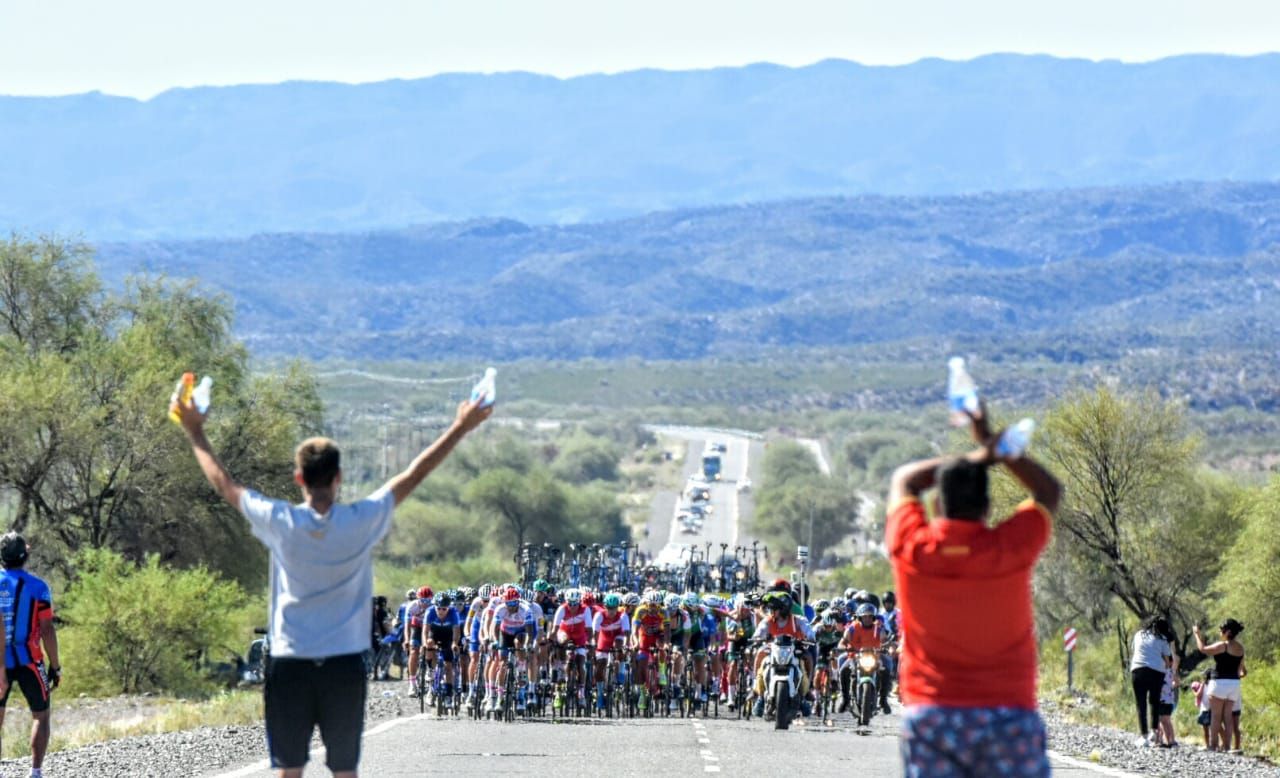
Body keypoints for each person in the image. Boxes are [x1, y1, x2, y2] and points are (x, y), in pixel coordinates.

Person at [175, 389, 490, 778]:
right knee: (345, 771)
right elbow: (413, 475)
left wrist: (194, 431)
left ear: (298, 478)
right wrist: (461, 426)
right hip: (344, 665)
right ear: (338, 478)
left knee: (289, 771)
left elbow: (225, 485)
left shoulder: (280, 521)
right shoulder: (360, 521)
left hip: (290, 662)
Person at [887, 403, 1061, 778]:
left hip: (933, 716)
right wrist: (996, 449)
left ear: (936, 503)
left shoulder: (912, 548)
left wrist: (977, 455)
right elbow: (1049, 490)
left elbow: (905, 480)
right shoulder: (1008, 548)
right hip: (1008, 714)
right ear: (987, 506)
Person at [0, 533, 61, 778]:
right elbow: (47, 629)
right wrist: (55, 666)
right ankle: (35, 772)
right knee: (41, 715)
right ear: (25, 556)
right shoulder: (39, 587)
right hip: (30, 660)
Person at [1193, 618, 1246, 752]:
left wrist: (1197, 635)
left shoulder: (1223, 645)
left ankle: (1213, 745)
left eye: (1221, 630)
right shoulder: (1240, 648)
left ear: (1227, 631)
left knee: (1216, 716)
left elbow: (1203, 649)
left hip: (1219, 683)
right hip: (1234, 684)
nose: (1219, 632)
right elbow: (1241, 669)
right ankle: (1227, 746)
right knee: (1227, 716)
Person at [1129, 616, 1173, 746]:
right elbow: (1168, 661)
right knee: (1154, 702)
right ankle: (1154, 731)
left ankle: (1144, 736)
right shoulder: (1163, 639)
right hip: (1156, 672)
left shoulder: (1138, 635)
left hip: (1138, 669)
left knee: (1140, 703)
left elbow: (1134, 650)